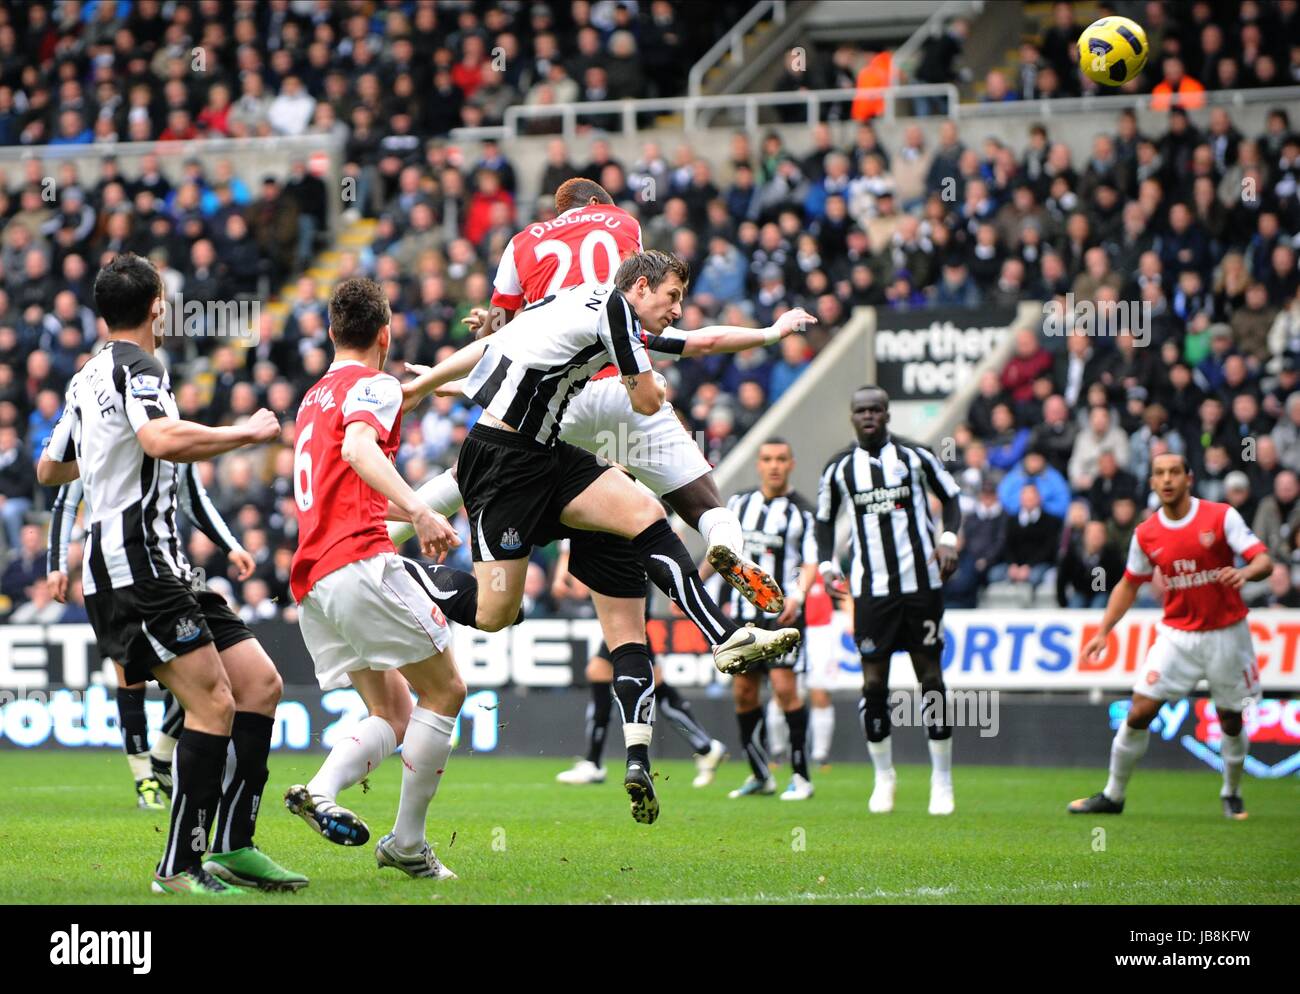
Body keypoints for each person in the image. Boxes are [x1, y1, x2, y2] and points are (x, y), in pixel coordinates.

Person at [404, 253, 802, 824]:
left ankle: (723, 635)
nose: (676, 309)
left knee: (644, 511)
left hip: (548, 453)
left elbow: (697, 342)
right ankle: (406, 575)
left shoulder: (583, 299)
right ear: (641, 286)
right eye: (671, 297)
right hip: (501, 464)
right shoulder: (612, 309)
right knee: (496, 612)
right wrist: (654, 386)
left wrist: (768, 332)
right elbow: (643, 400)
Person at [35, 252, 304, 896]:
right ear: (159, 303)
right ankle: (179, 868)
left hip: (163, 566)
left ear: (102, 313)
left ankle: (234, 845)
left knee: (260, 685)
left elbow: (50, 469)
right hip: (138, 567)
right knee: (212, 702)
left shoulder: (85, 377)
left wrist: (104, 458)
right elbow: (159, 442)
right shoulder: (143, 368)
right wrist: (245, 433)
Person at [283, 278, 470, 881]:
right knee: (445, 693)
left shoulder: (313, 398)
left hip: (314, 582)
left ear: (333, 333)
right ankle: (408, 843)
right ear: (385, 336)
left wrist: (413, 506)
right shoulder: (376, 384)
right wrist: (419, 509)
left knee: (392, 710)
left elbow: (350, 488)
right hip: (359, 564)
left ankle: (319, 788)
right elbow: (363, 450)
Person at [1069, 453, 1271, 820]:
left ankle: (1232, 792)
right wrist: (1102, 632)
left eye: (1174, 472)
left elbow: (1263, 560)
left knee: (1230, 719)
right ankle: (1113, 796)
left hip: (1227, 634)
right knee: (1140, 710)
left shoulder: (1220, 516)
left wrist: (1245, 574)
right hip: (1177, 634)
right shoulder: (1146, 533)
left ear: (1188, 478)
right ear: (1151, 483)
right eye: (1159, 474)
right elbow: (1129, 584)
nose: (1167, 480)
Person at [46, 467, 249, 810]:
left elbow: (194, 498)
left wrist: (230, 545)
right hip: (112, 577)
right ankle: (145, 781)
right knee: (131, 680)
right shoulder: (97, 434)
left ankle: (162, 754)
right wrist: (57, 564)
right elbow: (64, 500)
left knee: (201, 671)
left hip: (167, 572)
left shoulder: (171, 436)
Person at [816, 386, 962, 815]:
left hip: (921, 586)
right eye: (860, 410)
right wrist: (826, 565)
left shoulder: (916, 457)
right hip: (870, 590)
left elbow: (951, 497)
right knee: (874, 684)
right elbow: (824, 522)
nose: (868, 417)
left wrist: (948, 539)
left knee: (930, 681)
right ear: (851, 417)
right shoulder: (839, 468)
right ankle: (884, 777)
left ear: (887, 414)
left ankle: (942, 779)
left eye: (875, 410)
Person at [551, 535, 729, 788]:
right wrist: (563, 575)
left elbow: (661, 535)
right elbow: (569, 544)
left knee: (610, 670)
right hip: (616, 587)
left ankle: (595, 762)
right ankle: (704, 746)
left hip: (627, 588)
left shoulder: (617, 502)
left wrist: (577, 575)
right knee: (641, 679)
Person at [712, 439, 818, 801]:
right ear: (759, 465)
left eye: (781, 459)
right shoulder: (740, 503)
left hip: (781, 615)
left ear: (791, 464)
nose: (774, 465)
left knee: (786, 690)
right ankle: (760, 774)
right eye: (767, 459)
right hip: (742, 616)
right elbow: (722, 553)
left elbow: (809, 562)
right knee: (744, 693)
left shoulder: (802, 512)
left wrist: (798, 595)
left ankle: (801, 776)